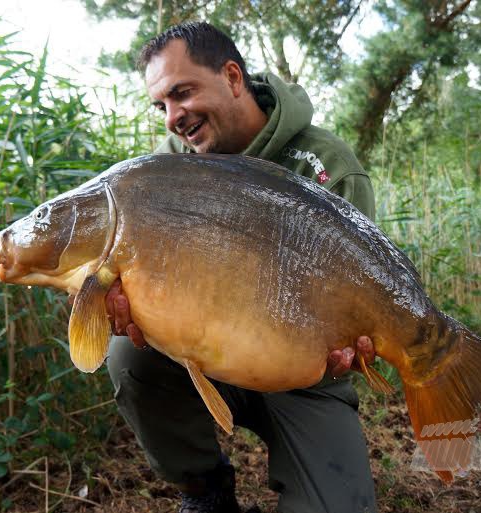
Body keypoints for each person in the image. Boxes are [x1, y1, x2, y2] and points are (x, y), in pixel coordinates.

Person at [104, 21, 379, 513]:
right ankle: (205, 489)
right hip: (205, 358)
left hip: (303, 376)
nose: (172, 118)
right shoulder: (170, 168)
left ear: (233, 78)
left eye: (182, 93)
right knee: (129, 353)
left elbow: (364, 291)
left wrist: (353, 343)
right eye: (161, 105)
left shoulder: (324, 164)